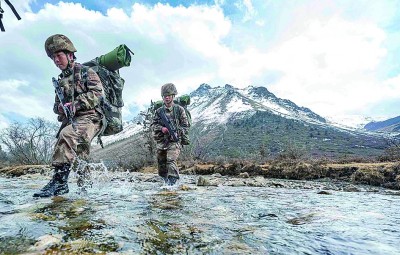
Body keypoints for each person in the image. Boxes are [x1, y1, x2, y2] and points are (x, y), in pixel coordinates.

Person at [33, 34, 104, 198]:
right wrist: (60, 107)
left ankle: (59, 183)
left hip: (91, 118)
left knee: (67, 135)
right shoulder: (60, 81)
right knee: (80, 156)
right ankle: (85, 192)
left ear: (70, 55)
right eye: (53, 58)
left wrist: (76, 104)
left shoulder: (87, 72)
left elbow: (98, 94)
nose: (56, 60)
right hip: (73, 120)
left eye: (59, 56)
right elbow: (55, 107)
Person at [151, 83, 189, 185]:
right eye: (164, 96)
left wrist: (177, 131)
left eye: (168, 95)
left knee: (171, 160)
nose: (166, 98)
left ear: (173, 96)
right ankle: (165, 184)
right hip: (162, 142)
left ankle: (172, 185)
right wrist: (162, 128)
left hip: (174, 141)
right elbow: (153, 125)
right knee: (161, 164)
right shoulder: (159, 111)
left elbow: (185, 126)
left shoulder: (179, 110)